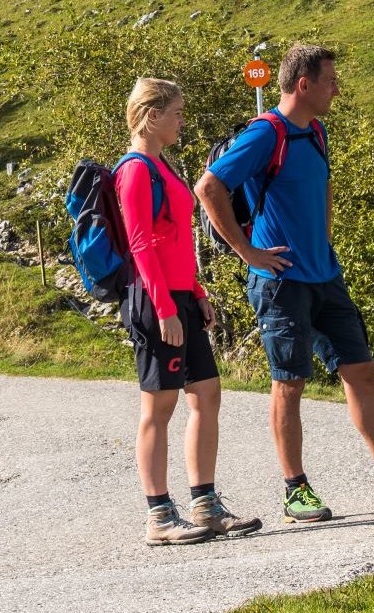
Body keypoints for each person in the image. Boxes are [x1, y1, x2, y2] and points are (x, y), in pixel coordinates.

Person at [194, 44, 374, 524]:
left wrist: (323, 240)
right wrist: (248, 253)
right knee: (289, 383)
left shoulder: (316, 131)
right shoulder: (263, 134)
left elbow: (323, 188)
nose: (338, 88)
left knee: (362, 372)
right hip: (280, 282)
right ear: (303, 84)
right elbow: (208, 187)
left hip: (325, 275)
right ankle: (295, 490)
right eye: (331, 80)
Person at [117, 77, 260, 545]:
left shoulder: (164, 166)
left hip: (180, 295)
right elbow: (140, 244)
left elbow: (175, 239)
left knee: (206, 394)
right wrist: (164, 306)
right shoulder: (136, 169)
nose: (182, 120)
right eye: (176, 112)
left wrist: (196, 292)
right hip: (155, 299)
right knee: (160, 405)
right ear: (152, 115)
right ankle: (159, 514)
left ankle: (205, 505)